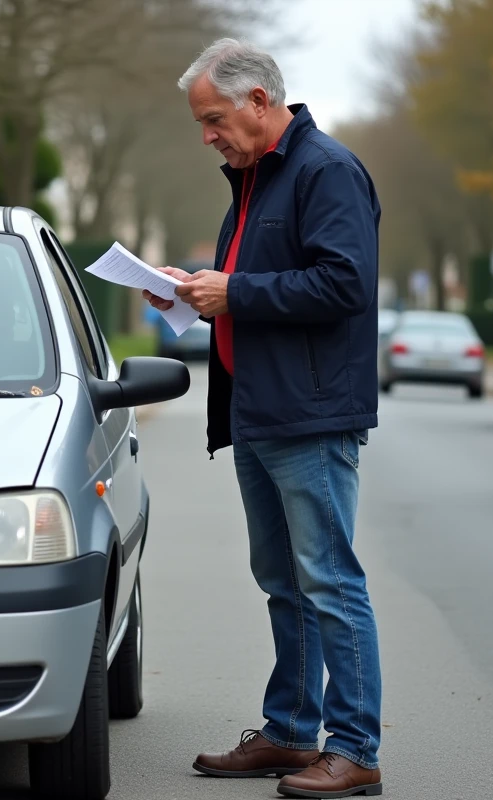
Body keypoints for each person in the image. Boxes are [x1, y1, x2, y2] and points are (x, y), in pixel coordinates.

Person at [142, 38, 384, 799]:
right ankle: (289, 733)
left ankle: (355, 748)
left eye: (214, 118)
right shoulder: (255, 178)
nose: (207, 135)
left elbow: (344, 284)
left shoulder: (326, 171)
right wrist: (190, 292)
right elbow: (254, 280)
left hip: (308, 417)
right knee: (284, 581)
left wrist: (234, 294)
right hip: (259, 412)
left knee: (330, 583)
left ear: (257, 101)